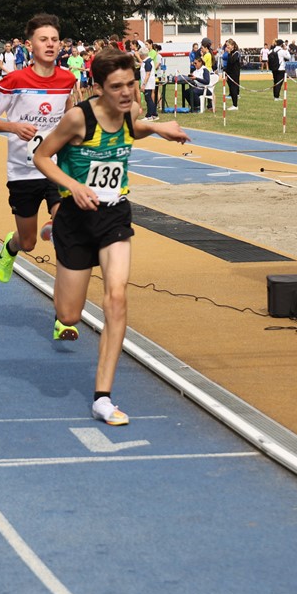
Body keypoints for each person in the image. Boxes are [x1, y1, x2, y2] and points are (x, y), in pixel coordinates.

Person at [32, 47, 190, 426]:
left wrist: (159, 129)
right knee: (69, 314)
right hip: (75, 218)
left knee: (116, 298)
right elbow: (41, 156)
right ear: (99, 87)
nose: (126, 92)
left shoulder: (131, 110)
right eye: (116, 86)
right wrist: (74, 186)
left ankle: (102, 397)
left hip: (114, 214)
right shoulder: (78, 118)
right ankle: (55, 235)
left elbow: (135, 127)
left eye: (130, 84)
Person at [0, 13, 77, 283]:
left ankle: (58, 232)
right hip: (22, 171)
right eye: (43, 39)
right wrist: (13, 127)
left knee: (65, 223)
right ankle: (11, 247)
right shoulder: (13, 81)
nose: (50, 44)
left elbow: (68, 112)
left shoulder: (67, 80)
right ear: (30, 45)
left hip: (54, 167)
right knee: (28, 242)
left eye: (55, 40)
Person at [222, 39, 241, 111]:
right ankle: (234, 104)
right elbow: (228, 64)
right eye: (226, 46)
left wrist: (229, 53)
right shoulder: (230, 53)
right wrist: (226, 74)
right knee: (231, 88)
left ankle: (235, 105)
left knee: (233, 89)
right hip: (229, 73)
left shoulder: (236, 53)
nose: (227, 47)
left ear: (232, 46)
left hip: (234, 74)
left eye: (228, 45)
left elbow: (232, 61)